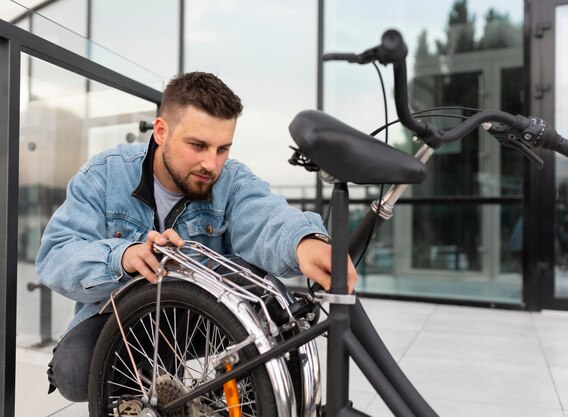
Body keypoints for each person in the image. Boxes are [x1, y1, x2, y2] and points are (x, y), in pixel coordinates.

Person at [36, 71, 358, 402]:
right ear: (161, 132)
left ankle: (222, 403)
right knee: (74, 371)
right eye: (198, 146)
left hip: (201, 314)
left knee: (279, 332)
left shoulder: (232, 181)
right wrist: (123, 256)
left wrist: (303, 242)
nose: (211, 163)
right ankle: (142, 395)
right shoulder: (105, 174)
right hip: (126, 317)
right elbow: (56, 255)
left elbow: (267, 217)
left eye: (222, 149)